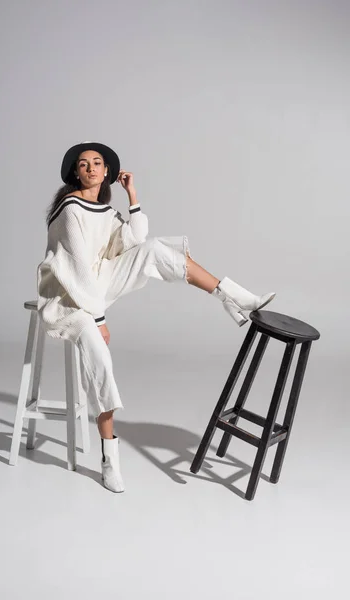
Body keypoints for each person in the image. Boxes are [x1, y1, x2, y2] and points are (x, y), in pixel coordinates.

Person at [36, 141, 276, 493]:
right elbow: (76, 274)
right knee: (100, 358)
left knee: (153, 250)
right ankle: (109, 459)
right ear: (76, 172)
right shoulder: (70, 210)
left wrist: (132, 195)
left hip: (96, 285)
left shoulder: (104, 210)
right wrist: (99, 320)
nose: (90, 168)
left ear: (106, 173)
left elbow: (136, 240)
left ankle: (236, 297)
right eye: (83, 164)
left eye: (97, 163)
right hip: (68, 298)